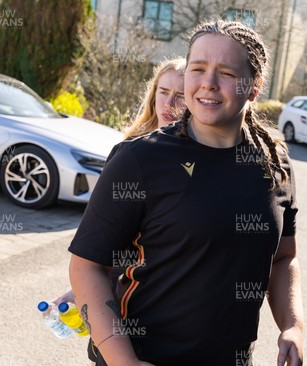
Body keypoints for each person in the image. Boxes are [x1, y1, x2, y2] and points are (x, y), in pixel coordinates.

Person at [68, 20, 304, 366]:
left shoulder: (275, 166)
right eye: (198, 69)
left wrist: (293, 325)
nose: (207, 83)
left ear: (254, 87)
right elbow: (87, 267)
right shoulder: (139, 159)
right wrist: (125, 363)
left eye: (225, 72)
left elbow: (284, 259)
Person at [53, 57, 186, 364]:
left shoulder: (201, 161)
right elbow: (104, 244)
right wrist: (84, 291)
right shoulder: (131, 152)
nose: (168, 102)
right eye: (162, 91)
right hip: (123, 326)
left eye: (179, 95)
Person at [123, 57, 186, 138]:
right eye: (164, 92)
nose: (168, 104)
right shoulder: (132, 144)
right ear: (154, 95)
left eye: (180, 96)